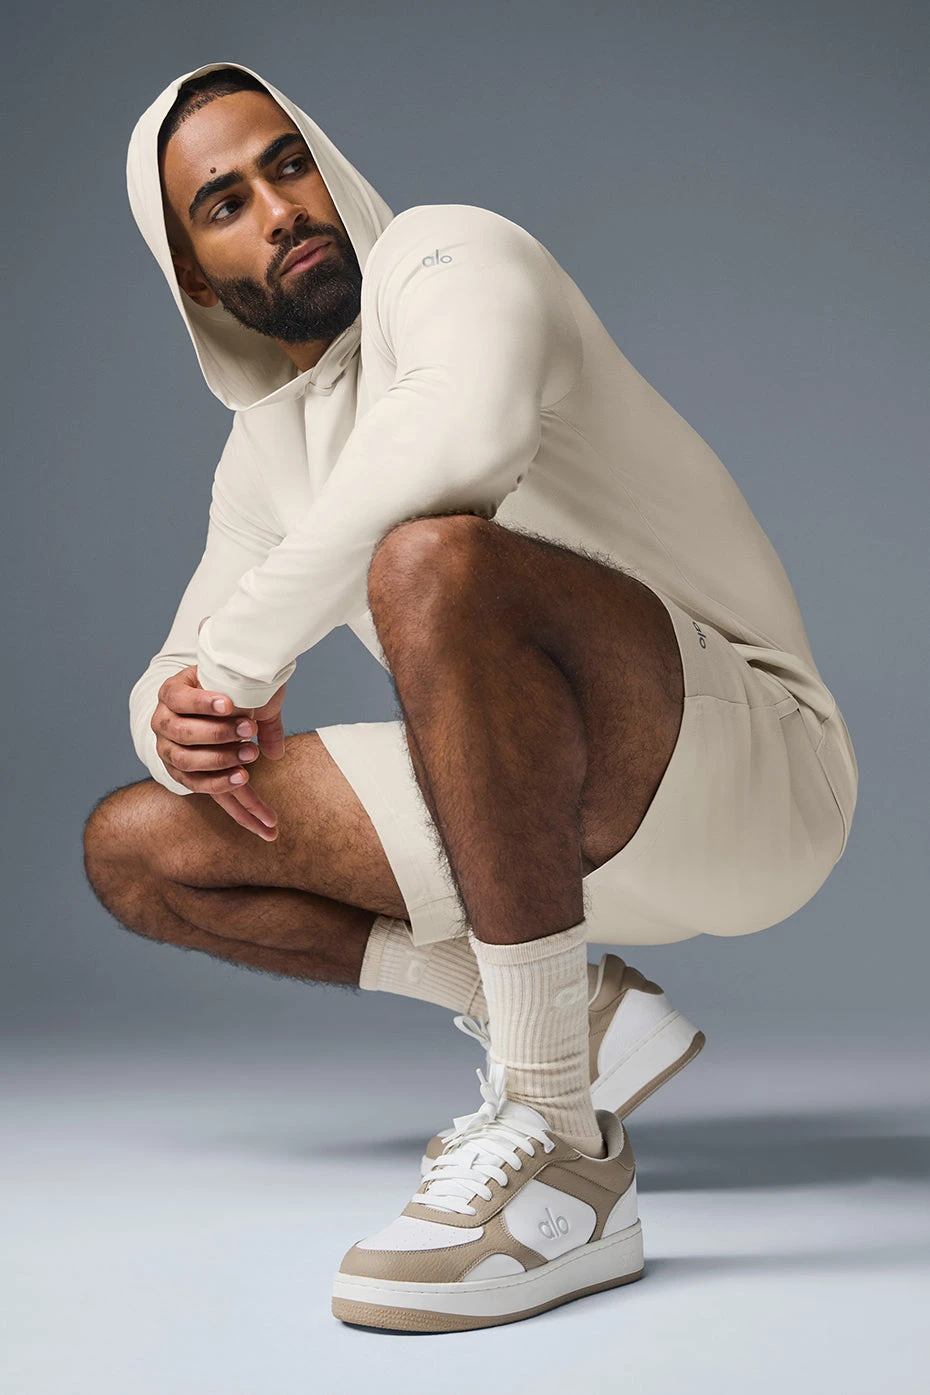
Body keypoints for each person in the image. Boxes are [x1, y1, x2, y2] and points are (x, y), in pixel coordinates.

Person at [83, 60, 858, 1333]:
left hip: (753, 774)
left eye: (288, 163)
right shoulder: (262, 455)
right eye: (225, 204)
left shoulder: (451, 257)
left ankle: (563, 1146)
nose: (281, 209)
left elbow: (454, 440)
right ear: (195, 278)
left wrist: (241, 658)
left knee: (433, 563)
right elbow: (177, 675)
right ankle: (560, 1013)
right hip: (541, 829)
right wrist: (179, 719)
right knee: (142, 845)